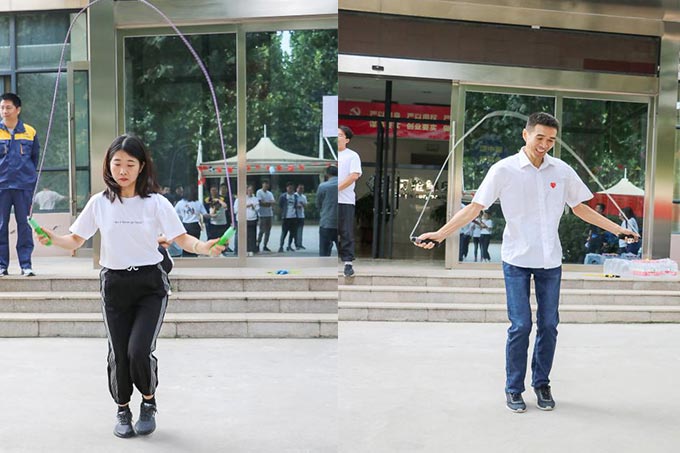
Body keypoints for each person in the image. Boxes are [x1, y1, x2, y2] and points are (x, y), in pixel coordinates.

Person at [415, 112, 639, 413]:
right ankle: (513, 388)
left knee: (549, 325)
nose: (545, 144)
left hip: (550, 260)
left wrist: (618, 230)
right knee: (521, 325)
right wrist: (440, 235)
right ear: (526, 135)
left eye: (551, 140)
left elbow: (580, 209)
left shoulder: (561, 171)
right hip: (517, 259)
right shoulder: (503, 170)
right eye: (540, 137)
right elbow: (475, 208)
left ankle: (542, 384)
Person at [33, 134, 225, 438]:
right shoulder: (100, 202)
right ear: (108, 165)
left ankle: (148, 401)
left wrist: (204, 247)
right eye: (117, 163)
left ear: (142, 166)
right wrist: (53, 238)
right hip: (115, 284)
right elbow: (75, 239)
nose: (122, 170)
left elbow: (181, 238)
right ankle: (122, 409)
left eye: (130, 164)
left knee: (138, 351)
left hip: (150, 285)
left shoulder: (156, 203)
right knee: (118, 354)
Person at [0, 93, 40, 276]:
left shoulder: (30, 132)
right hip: (2, 186)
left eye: (8, 107)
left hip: (24, 186)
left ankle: (26, 265)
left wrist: (28, 177)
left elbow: (34, 158)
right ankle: (2, 265)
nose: (4, 111)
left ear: (18, 109)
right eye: (2, 107)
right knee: (1, 225)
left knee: (25, 225)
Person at [338, 125, 362, 277]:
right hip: (330, 202)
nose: (337, 137)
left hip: (345, 201)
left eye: (340, 135)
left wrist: (336, 189)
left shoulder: (352, 156)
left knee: (346, 232)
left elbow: (354, 176)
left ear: (347, 140)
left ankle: (348, 263)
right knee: (327, 231)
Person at [175, 186, 208, 257]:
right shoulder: (198, 203)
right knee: (195, 244)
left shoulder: (180, 203)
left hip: (185, 225)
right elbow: (205, 214)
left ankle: (186, 257)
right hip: (195, 225)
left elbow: (174, 214)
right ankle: (194, 257)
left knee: (185, 244)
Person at [317, 165, 338, 256]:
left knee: (324, 252)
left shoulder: (323, 186)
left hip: (326, 222)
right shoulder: (344, 185)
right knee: (343, 252)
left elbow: (318, 204)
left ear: (327, 174)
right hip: (341, 222)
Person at [234, 185, 259, 256]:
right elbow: (235, 210)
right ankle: (239, 250)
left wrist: (253, 206)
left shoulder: (255, 199)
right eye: (248, 190)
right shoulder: (239, 199)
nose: (250, 192)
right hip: (242, 219)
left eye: (251, 190)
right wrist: (246, 206)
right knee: (241, 235)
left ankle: (250, 249)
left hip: (252, 219)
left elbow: (257, 209)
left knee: (251, 235)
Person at [278, 181, 299, 252]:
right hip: (286, 217)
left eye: (292, 188)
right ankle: (281, 246)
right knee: (284, 232)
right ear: (286, 188)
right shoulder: (283, 196)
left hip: (294, 217)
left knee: (292, 233)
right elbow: (280, 205)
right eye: (289, 188)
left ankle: (289, 245)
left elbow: (296, 205)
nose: (290, 189)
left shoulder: (295, 196)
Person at [255, 179, 275, 252]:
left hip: (269, 214)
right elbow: (260, 203)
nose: (266, 185)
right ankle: (257, 244)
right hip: (262, 214)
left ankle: (265, 245)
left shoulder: (270, 193)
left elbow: (273, 202)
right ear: (262, 185)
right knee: (261, 230)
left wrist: (267, 203)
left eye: (267, 184)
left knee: (268, 231)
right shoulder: (259, 192)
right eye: (265, 184)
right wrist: (268, 203)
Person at [294, 184, 308, 250]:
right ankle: (296, 244)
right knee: (295, 231)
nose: (301, 190)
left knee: (300, 230)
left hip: (301, 215)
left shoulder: (303, 197)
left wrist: (303, 204)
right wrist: (297, 206)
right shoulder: (294, 196)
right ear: (297, 189)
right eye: (299, 188)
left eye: (302, 188)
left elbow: (306, 205)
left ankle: (300, 244)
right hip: (295, 215)